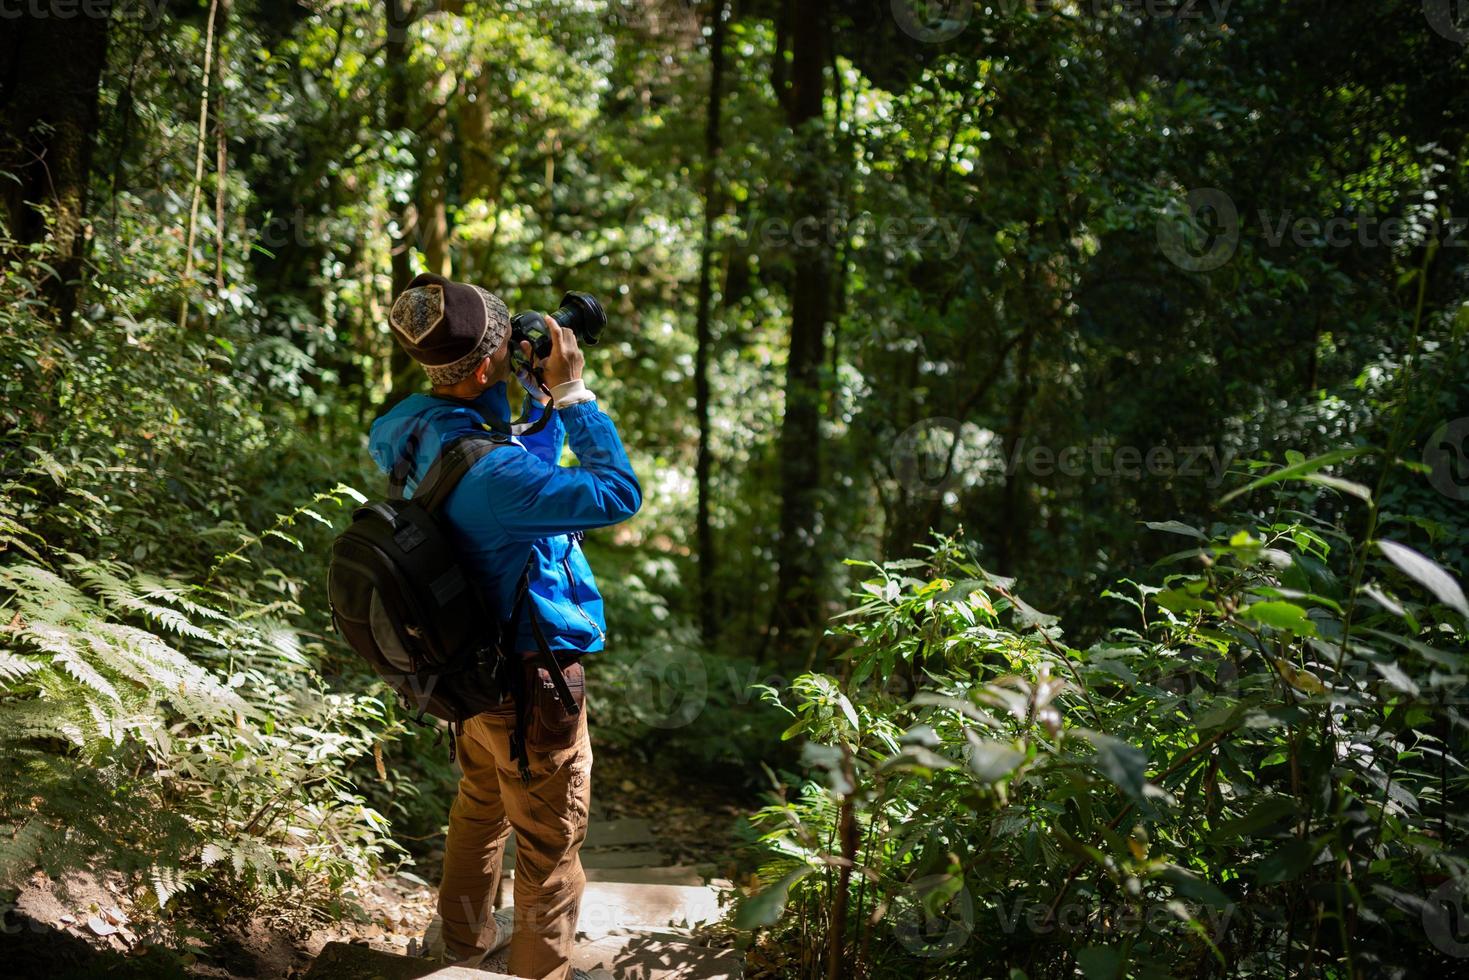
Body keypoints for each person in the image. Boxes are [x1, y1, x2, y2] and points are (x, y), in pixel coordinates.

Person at [368, 272, 641, 980]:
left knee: (479, 808)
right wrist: (574, 395)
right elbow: (616, 492)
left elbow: (504, 469)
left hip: (464, 673)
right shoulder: (497, 481)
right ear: (488, 365)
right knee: (548, 853)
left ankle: (456, 952)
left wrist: (532, 402)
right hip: (529, 680)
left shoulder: (400, 427)